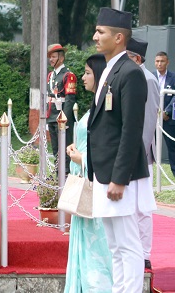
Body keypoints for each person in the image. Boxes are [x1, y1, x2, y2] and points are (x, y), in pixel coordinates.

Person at [87, 7, 155, 293]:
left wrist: (119, 178)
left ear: (118, 38)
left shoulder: (131, 73)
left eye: (100, 32)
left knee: (128, 244)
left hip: (118, 175)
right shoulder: (110, 70)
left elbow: (131, 130)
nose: (94, 37)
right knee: (115, 245)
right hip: (105, 171)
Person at [64, 53, 113, 293]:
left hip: (95, 180)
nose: (82, 78)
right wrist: (75, 149)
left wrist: (81, 158)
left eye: (87, 73)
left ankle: (98, 286)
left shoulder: (106, 105)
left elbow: (106, 148)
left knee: (97, 239)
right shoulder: (95, 103)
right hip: (84, 176)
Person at [126, 38, 160, 270]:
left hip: (140, 156)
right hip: (127, 155)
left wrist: (136, 155)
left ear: (137, 59)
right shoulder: (128, 77)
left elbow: (148, 122)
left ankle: (145, 252)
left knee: (142, 207)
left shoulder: (147, 80)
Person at [46, 43, 77, 174]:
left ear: (61, 58)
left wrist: (64, 119)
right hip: (51, 116)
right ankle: (58, 171)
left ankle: (66, 173)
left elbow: (70, 100)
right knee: (55, 148)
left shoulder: (68, 75)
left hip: (63, 118)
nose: (51, 59)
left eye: (54, 57)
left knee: (65, 147)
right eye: (50, 57)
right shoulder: (50, 75)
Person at [154, 51, 175, 177]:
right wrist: (156, 112)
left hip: (168, 118)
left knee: (172, 146)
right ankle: (149, 170)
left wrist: (166, 112)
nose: (159, 64)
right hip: (152, 117)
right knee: (150, 145)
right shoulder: (150, 76)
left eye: (162, 61)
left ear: (167, 62)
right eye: (157, 61)